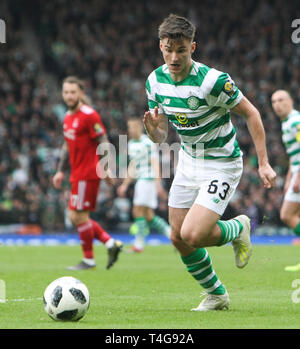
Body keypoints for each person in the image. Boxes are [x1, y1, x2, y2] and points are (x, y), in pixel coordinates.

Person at [143, 14, 276, 311]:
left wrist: (264, 163)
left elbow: (252, 113)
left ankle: (237, 228)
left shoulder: (213, 81)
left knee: (194, 234)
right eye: (168, 49)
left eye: (181, 49)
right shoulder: (154, 81)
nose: (174, 56)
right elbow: (161, 134)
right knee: (178, 238)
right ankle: (217, 294)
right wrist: (154, 133)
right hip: (189, 161)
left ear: (193, 47)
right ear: (160, 46)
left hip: (221, 163)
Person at [53, 76, 122, 270]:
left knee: (79, 216)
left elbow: (104, 141)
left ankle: (89, 260)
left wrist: (107, 167)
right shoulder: (67, 117)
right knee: (76, 217)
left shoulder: (89, 115)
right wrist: (60, 171)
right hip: (76, 174)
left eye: (73, 92)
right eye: (66, 92)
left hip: (88, 173)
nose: (69, 96)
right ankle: (110, 243)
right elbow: (67, 145)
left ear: (81, 93)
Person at [117, 117, 171, 252]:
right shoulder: (131, 144)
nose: (130, 130)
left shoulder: (147, 143)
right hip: (141, 180)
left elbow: (154, 163)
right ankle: (172, 235)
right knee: (148, 215)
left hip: (148, 180)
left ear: (138, 128)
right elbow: (133, 166)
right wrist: (125, 184)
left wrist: (158, 184)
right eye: (129, 128)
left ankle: (139, 244)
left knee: (137, 211)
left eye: (132, 127)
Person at [271, 90, 300, 272]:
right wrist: (289, 178)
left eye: (281, 100)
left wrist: (298, 177)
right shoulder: (287, 123)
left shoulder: (296, 122)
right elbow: (294, 154)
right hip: (296, 171)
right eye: (274, 101)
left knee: (287, 215)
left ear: (290, 101)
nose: (277, 104)